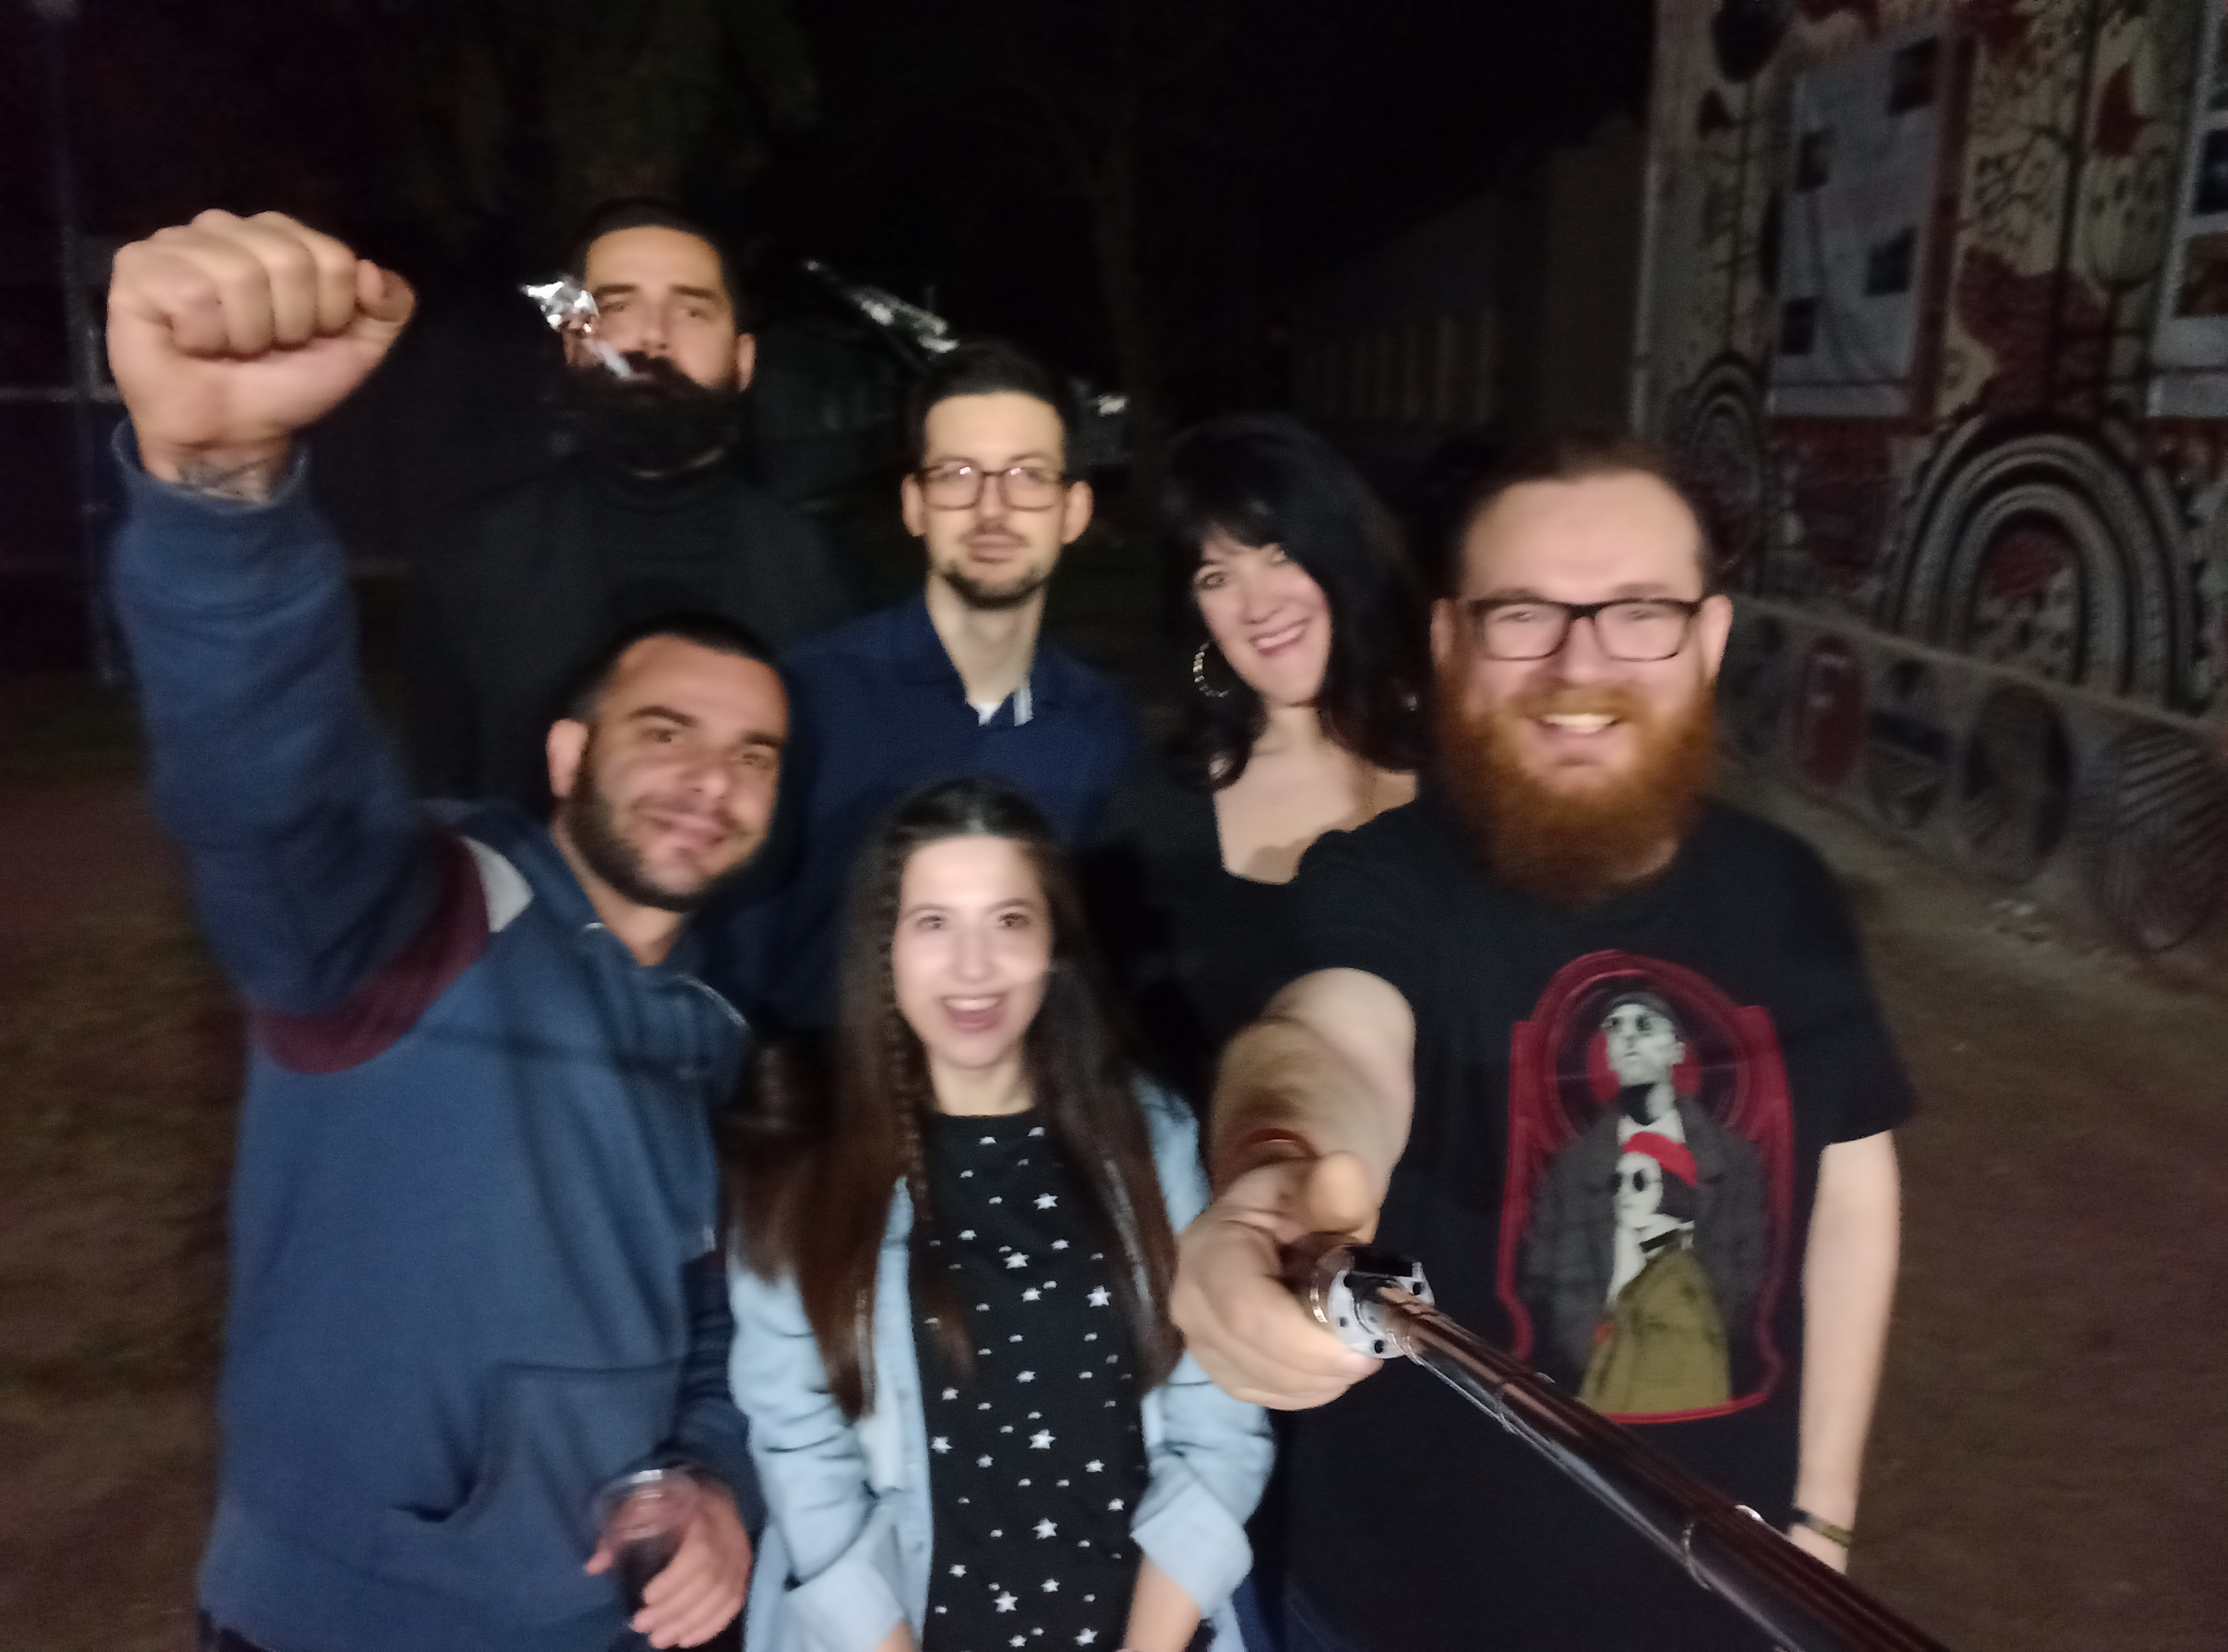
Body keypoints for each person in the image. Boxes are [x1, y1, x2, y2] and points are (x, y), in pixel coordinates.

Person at [105, 208, 772, 1652]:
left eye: (753, 755)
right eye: (663, 731)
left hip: (608, 1623)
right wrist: (221, 489)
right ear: (566, 756)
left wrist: (719, 1481)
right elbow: (271, 791)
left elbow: (715, 1317)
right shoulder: (416, 929)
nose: (709, 778)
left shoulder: (716, 1036)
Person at [1170, 432, 1911, 1650]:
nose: (1580, 662)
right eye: (1523, 615)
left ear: (1710, 639)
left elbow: (1850, 1186)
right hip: (1405, 1608)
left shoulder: (1787, 891)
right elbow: (1328, 1043)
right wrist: (1276, 1172)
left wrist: (1819, 1519)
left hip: (1724, 1598)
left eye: (1639, 613)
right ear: (1450, 640)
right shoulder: (1379, 879)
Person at [725, 778, 1272, 1652]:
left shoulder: (1152, 1139)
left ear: (1054, 942)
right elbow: (800, 1453)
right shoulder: (805, 1164)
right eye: (934, 923)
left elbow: (1221, 1430)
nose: (973, 967)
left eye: (1009, 920)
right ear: (884, 948)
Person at [726, 340, 1137, 1030]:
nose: (991, 506)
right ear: (915, 505)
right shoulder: (807, 699)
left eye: (1028, 476)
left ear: (1074, 511)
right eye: (957, 474)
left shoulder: (1098, 726)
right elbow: (736, 955)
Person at [409, 196, 858, 807]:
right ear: (570, 344)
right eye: (617, 307)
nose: (652, 336)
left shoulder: (820, 573)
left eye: (692, 311)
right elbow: (439, 802)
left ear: (744, 360)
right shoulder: (472, 558)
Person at [1085, 416, 1429, 1108]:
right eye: (1216, 577)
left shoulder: (1468, 763)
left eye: (1278, 555)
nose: (1257, 606)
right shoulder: (1153, 816)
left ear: (1339, 554)